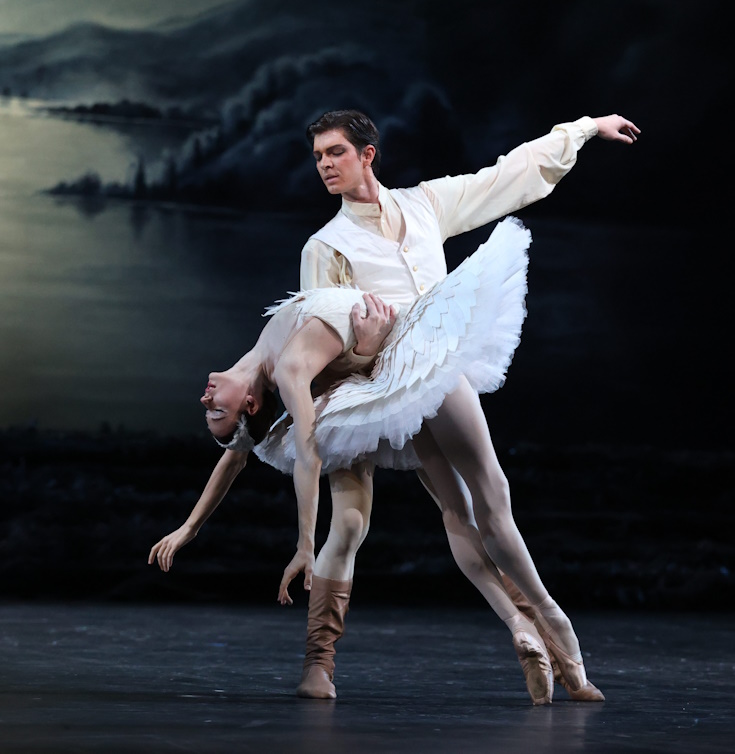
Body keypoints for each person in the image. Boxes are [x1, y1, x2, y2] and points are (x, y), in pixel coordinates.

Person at [289, 108, 639, 703]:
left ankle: (530, 633)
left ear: (368, 154)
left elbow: (507, 177)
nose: (324, 164)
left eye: (335, 152)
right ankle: (554, 632)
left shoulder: (424, 204)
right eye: (318, 156)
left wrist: (582, 129)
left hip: (424, 380)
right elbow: (314, 345)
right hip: (382, 386)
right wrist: (361, 358)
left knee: (462, 510)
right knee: (439, 509)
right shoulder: (327, 246)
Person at [149, 214, 551, 702]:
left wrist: (191, 528)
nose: (205, 398)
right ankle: (320, 662)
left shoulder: (264, 358)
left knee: (460, 510)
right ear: (250, 405)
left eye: (211, 409)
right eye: (215, 411)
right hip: (351, 400)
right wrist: (285, 541)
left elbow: (238, 451)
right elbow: (265, 455)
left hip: (391, 376)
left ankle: (530, 629)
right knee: (358, 522)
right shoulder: (287, 358)